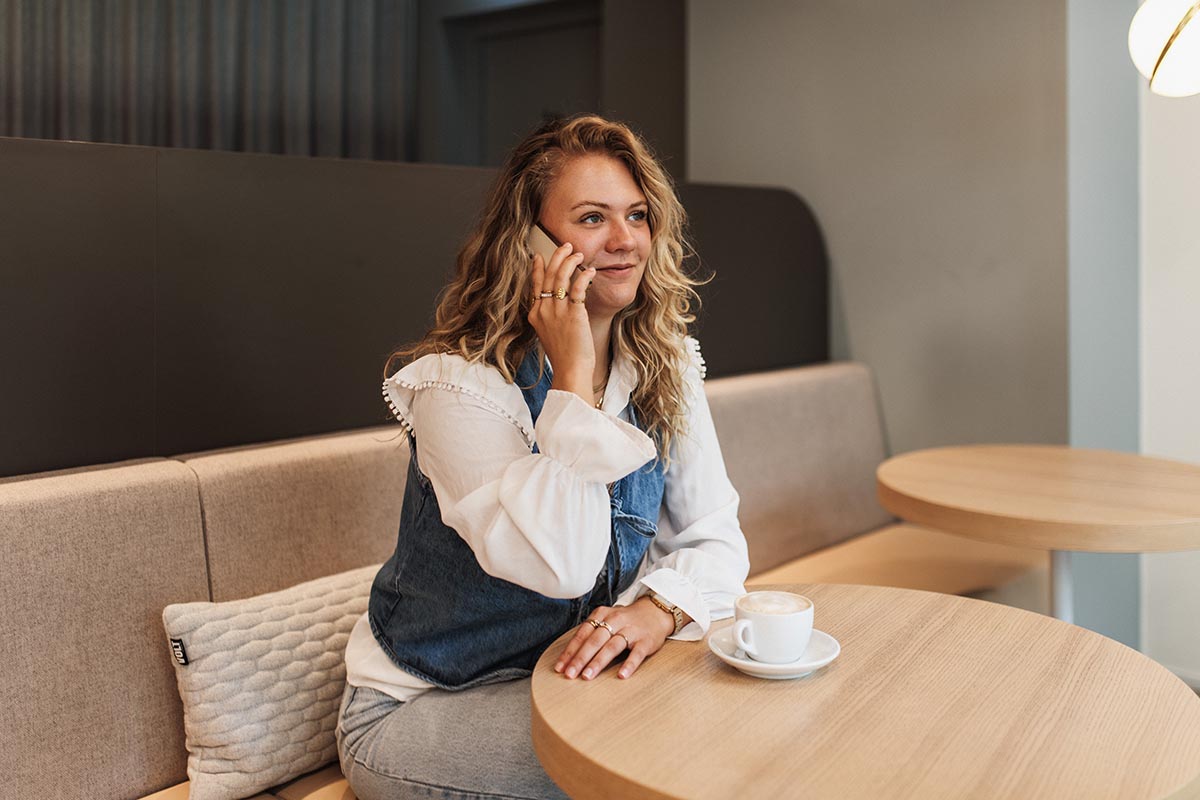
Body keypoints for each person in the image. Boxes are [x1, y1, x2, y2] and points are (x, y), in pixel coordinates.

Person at [337, 114, 750, 800]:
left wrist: (659, 611)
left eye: (638, 216)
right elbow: (563, 565)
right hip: (426, 709)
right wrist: (573, 383)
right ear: (529, 240)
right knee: (673, 760)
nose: (626, 242)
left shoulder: (664, 362)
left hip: (571, 683)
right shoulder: (457, 385)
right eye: (593, 218)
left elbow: (717, 539)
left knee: (745, 713)